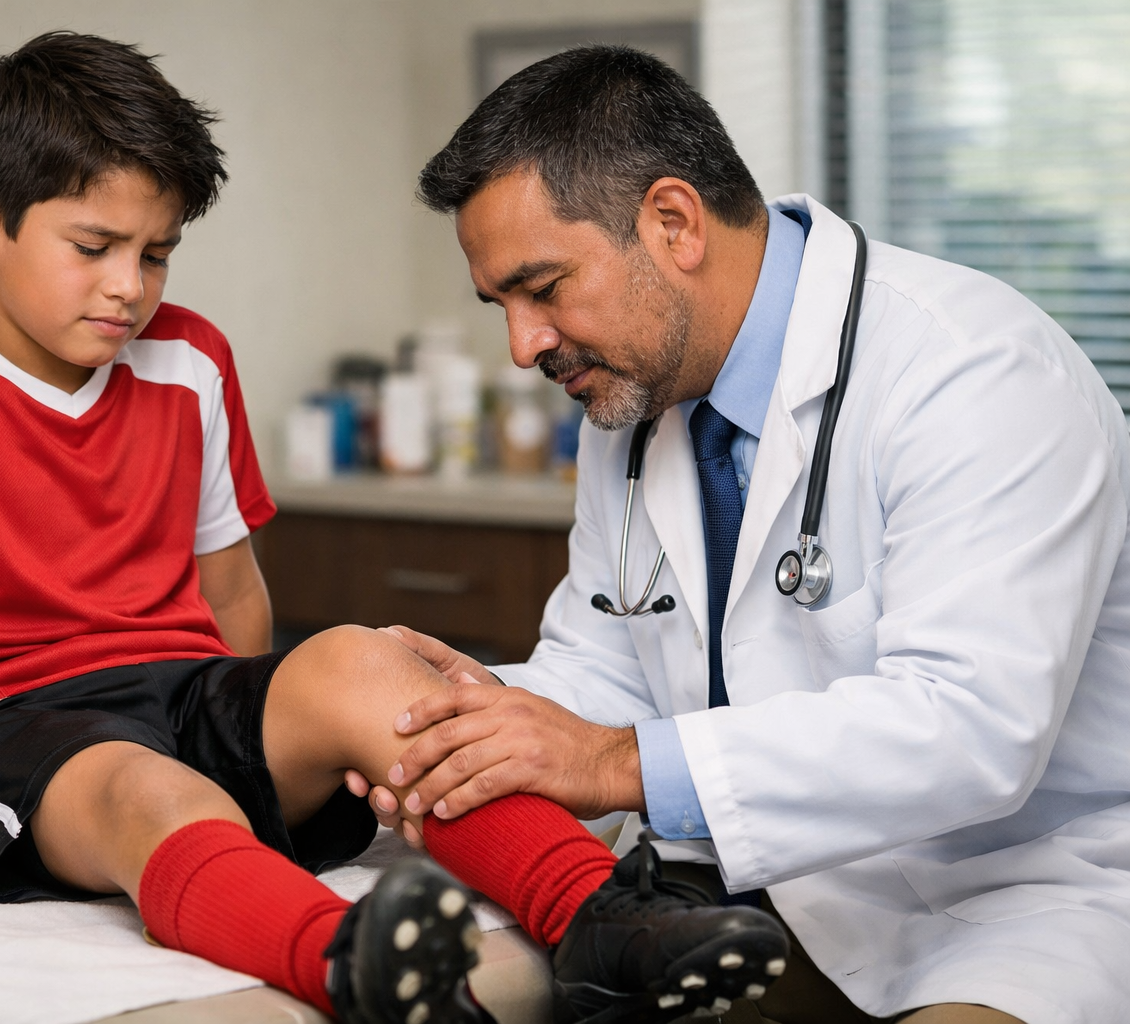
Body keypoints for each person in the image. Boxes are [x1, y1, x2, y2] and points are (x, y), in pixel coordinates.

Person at [0, 34, 788, 1024]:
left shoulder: (189, 359)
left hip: (180, 683)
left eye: (156, 252)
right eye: (95, 247)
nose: (130, 285)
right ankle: (347, 959)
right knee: (144, 788)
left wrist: (257, 733)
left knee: (362, 665)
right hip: (3, 721)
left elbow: (234, 591)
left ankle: (600, 914)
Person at [359, 44, 1130, 1024]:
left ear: (673, 223)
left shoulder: (975, 373)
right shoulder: (632, 405)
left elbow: (971, 728)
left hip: (1020, 905)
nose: (523, 346)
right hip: (763, 898)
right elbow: (601, 676)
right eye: (500, 305)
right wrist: (455, 725)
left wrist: (612, 761)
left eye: (542, 287)